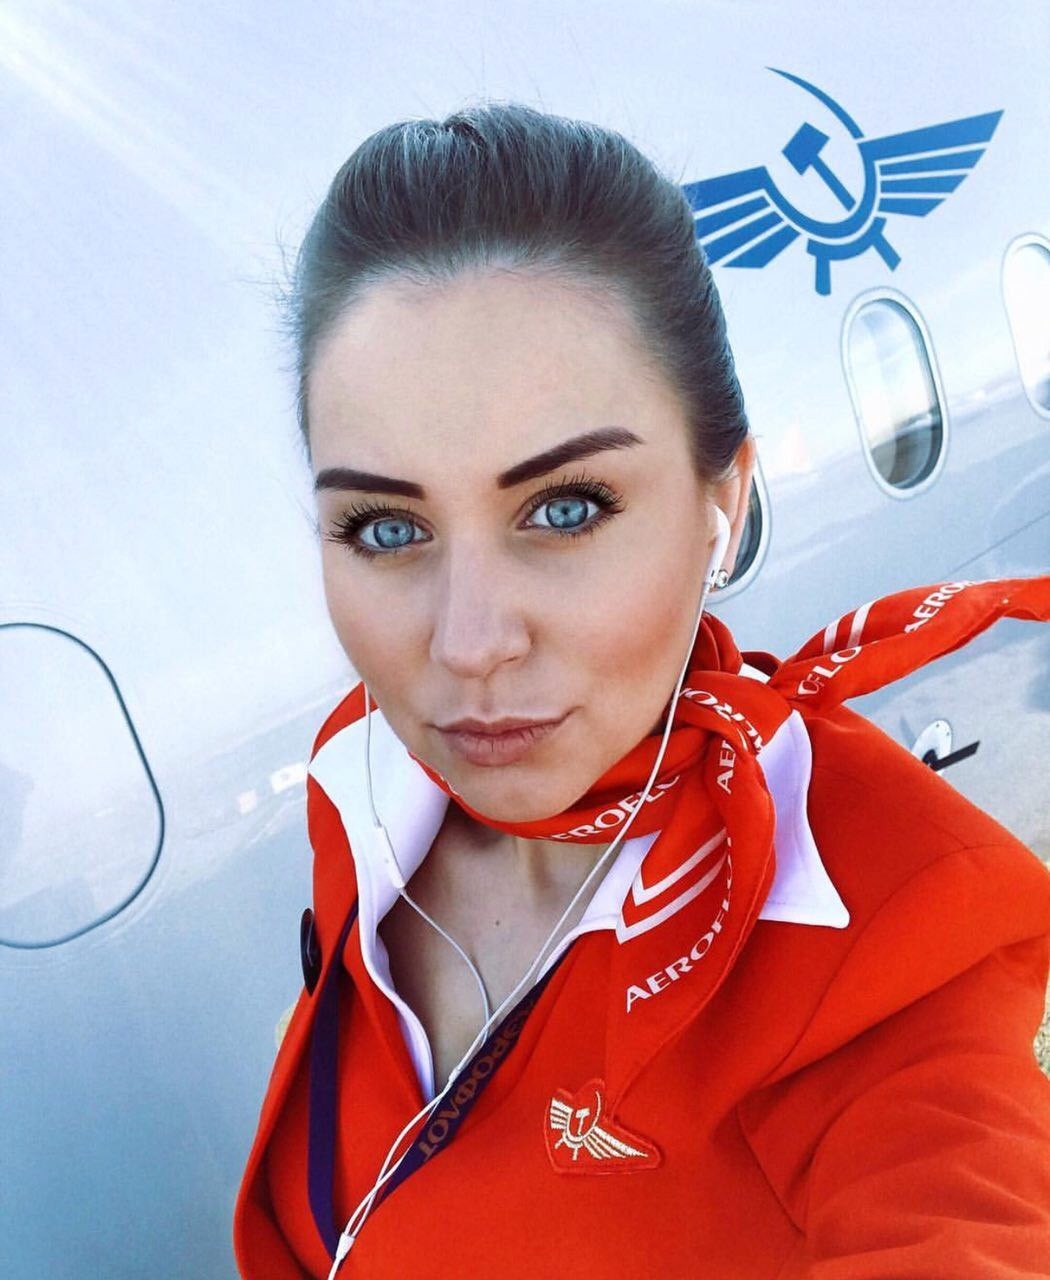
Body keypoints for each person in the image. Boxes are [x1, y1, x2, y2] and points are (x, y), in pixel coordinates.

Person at [233, 101, 1050, 1278]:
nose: (468, 644)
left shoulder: (890, 927)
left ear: (724, 500)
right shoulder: (363, 777)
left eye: (565, 508)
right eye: (386, 527)